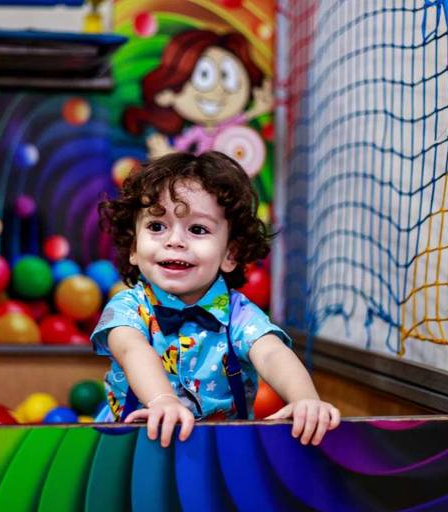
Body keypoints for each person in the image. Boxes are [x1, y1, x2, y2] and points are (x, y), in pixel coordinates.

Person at [92, 151, 340, 448]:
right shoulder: (129, 306)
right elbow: (132, 349)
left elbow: (272, 353)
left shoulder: (239, 314)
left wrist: (305, 400)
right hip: (132, 443)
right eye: (156, 226)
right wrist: (164, 401)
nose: (174, 241)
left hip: (221, 451)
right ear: (134, 246)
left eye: (197, 229)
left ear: (230, 254)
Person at [122, 29, 272, 164]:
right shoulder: (195, 134)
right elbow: (187, 156)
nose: (218, 90)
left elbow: (242, 118)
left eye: (227, 77)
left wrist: (259, 108)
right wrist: (169, 155)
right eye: (204, 76)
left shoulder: (229, 129)